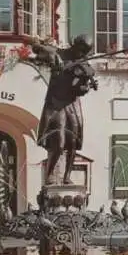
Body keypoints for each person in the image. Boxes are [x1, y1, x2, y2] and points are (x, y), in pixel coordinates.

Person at [32, 34, 98, 185]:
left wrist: (86, 87)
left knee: (74, 141)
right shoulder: (57, 53)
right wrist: (53, 58)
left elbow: (79, 89)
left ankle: (67, 176)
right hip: (56, 103)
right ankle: (50, 176)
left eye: (85, 53)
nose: (82, 55)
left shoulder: (83, 64)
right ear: (74, 46)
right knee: (59, 143)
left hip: (71, 104)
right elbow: (35, 46)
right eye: (81, 51)